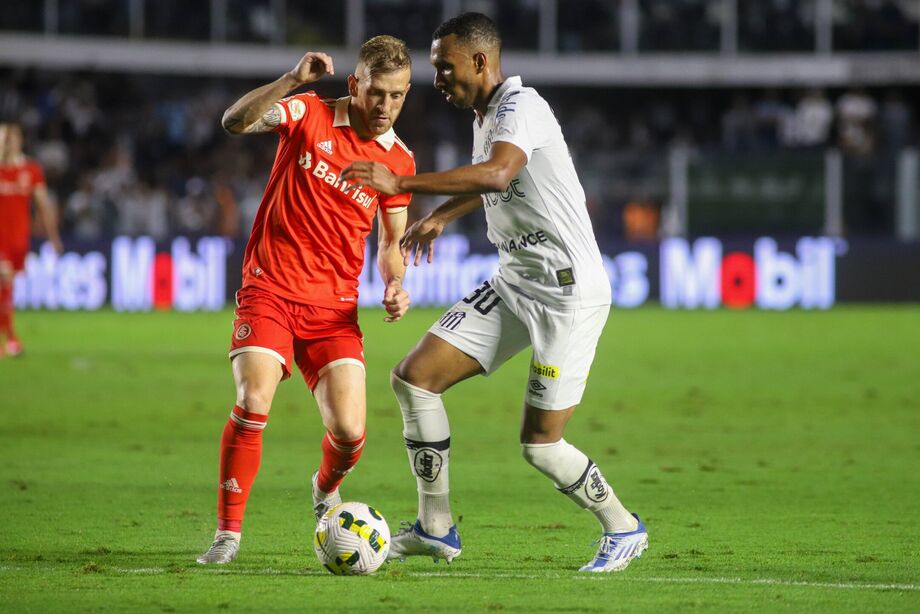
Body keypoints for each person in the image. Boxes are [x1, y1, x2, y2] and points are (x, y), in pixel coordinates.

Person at [342, 13, 647, 573]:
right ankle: (436, 528)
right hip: (514, 280)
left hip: (565, 293)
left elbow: (498, 173)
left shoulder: (521, 107)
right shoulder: (486, 115)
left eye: (444, 68)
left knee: (540, 445)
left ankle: (623, 526)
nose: (438, 80)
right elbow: (495, 177)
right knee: (414, 379)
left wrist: (404, 185)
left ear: (480, 62)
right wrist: (441, 214)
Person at [197, 36, 416, 564]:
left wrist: (394, 283)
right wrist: (292, 79)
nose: (386, 106)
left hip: (333, 308)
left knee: (350, 432)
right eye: (377, 92)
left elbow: (390, 243)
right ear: (354, 84)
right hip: (269, 288)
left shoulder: (399, 160)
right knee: (254, 401)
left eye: (399, 95)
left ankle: (323, 489)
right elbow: (234, 121)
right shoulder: (308, 113)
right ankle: (228, 534)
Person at [0, 121, 63, 358]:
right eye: (3, 138)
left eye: (10, 138)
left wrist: (53, 236)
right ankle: (12, 339)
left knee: (7, 287)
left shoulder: (31, 170)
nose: (6, 142)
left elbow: (43, 207)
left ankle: (8, 337)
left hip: (18, 239)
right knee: (4, 279)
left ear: (19, 141)